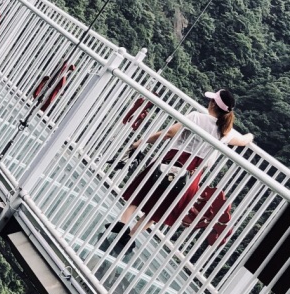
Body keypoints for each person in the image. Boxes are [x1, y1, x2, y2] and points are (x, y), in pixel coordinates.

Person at [103, 89, 254, 255]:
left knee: (141, 192)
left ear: (212, 104)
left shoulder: (196, 117)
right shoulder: (226, 132)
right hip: (191, 175)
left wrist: (142, 142)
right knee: (161, 209)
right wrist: (251, 136)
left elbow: (169, 133)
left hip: (172, 161)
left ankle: (122, 223)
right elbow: (244, 141)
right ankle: (130, 237)